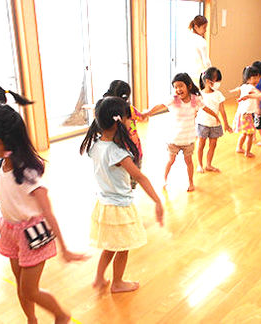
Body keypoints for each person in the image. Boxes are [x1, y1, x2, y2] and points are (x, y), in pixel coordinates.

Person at [0, 104, 86, 324]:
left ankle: (61, 315)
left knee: (30, 290)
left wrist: (64, 248)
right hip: (10, 230)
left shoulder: (26, 172)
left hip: (32, 234)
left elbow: (48, 212)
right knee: (21, 284)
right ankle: (31, 320)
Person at [80, 97, 164, 293]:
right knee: (123, 247)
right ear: (119, 122)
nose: (129, 122)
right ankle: (117, 283)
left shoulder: (95, 145)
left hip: (104, 204)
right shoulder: (119, 154)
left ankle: (100, 278)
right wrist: (157, 201)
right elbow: (140, 178)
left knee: (110, 246)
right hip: (119, 207)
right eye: (127, 118)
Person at [145, 73, 220, 192]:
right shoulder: (174, 100)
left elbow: (205, 108)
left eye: (180, 86)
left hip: (188, 139)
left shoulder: (195, 100)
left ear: (189, 86)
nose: (178, 89)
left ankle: (191, 182)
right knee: (171, 160)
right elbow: (160, 105)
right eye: (175, 87)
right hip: (174, 139)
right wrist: (148, 113)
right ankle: (164, 180)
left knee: (189, 162)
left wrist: (215, 115)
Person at [103, 80, 146, 189]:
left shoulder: (107, 111)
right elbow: (141, 117)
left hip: (117, 154)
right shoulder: (129, 109)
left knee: (118, 183)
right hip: (133, 151)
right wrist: (146, 113)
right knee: (131, 182)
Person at [196, 67, 232, 173]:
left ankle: (208, 164)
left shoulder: (218, 94)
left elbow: (222, 110)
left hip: (215, 125)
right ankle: (200, 164)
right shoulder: (200, 94)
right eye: (217, 81)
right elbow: (196, 110)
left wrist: (226, 124)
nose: (218, 83)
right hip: (202, 124)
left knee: (213, 145)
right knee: (201, 145)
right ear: (208, 81)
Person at [231, 66, 261, 158]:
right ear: (248, 79)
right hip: (246, 115)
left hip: (242, 114)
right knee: (250, 134)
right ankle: (247, 152)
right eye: (254, 77)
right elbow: (257, 93)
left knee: (244, 133)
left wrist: (233, 91)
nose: (257, 79)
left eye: (258, 77)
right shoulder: (251, 88)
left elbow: (238, 89)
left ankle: (239, 147)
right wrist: (258, 107)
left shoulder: (244, 86)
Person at [179, 15, 212, 87]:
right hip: (198, 75)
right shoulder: (201, 41)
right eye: (204, 27)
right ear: (196, 27)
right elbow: (206, 62)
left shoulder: (186, 38)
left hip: (186, 74)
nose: (205, 30)